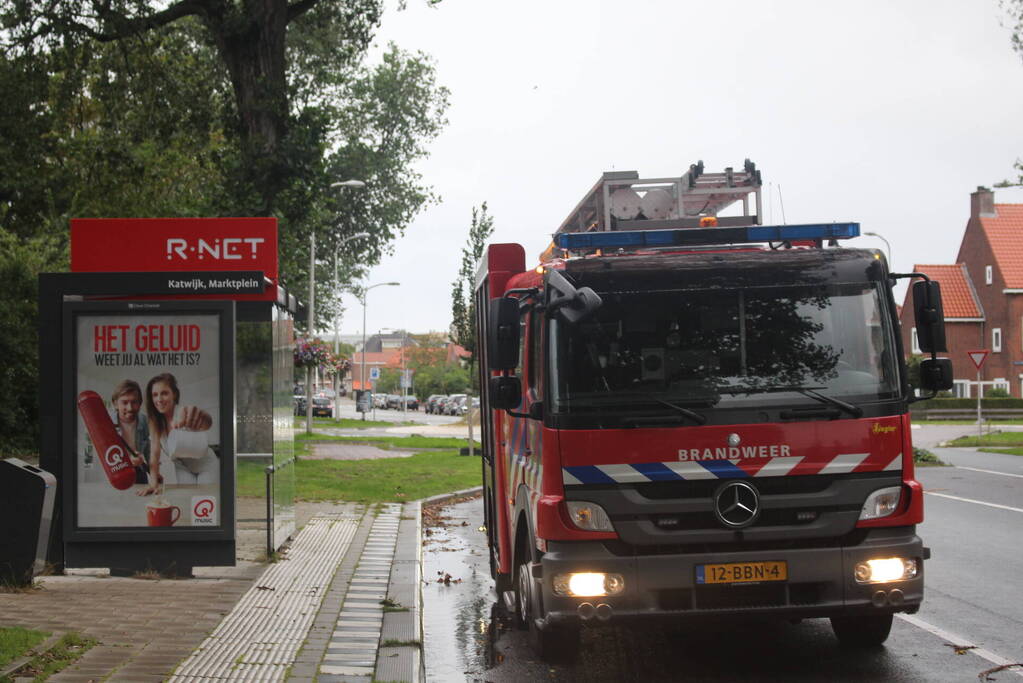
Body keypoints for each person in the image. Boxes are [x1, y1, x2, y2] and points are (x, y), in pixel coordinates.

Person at [138, 372, 216, 495]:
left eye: (164, 393)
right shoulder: (155, 422)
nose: (159, 399)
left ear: (174, 394)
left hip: (205, 466)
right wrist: (153, 484)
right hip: (182, 468)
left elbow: (206, 423)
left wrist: (205, 419)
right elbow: (154, 454)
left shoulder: (184, 412)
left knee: (205, 497)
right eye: (155, 395)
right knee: (185, 498)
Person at [109, 379, 151, 484]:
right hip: (117, 471)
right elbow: (105, 453)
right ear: (115, 404)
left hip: (139, 471)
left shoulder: (144, 420)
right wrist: (127, 461)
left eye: (134, 402)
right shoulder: (107, 422)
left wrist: (154, 472)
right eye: (124, 402)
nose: (130, 408)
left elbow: (149, 450)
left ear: (140, 403)